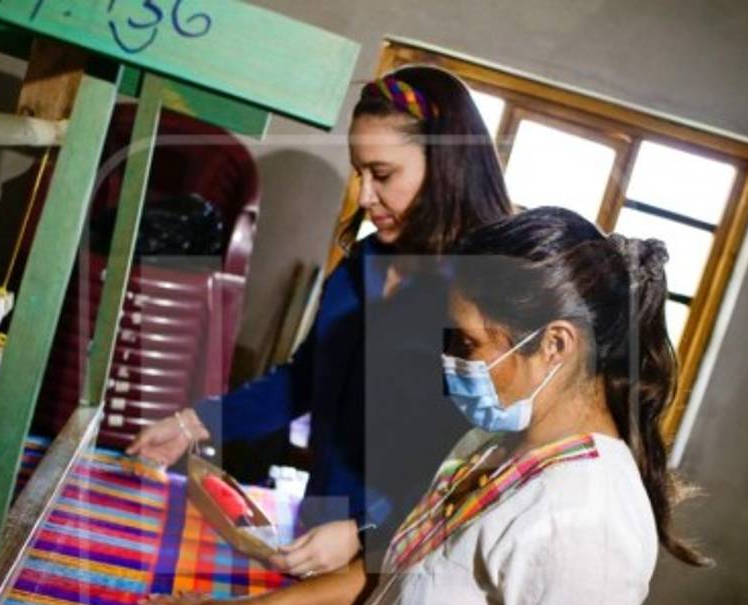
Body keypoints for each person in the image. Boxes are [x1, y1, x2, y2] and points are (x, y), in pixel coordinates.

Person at [140, 207, 712, 605]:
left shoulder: (584, 516)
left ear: (555, 345)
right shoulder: (493, 444)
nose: (451, 361)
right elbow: (398, 568)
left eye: (467, 342)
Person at [128, 66, 511, 576]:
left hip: (401, 555)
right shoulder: (363, 266)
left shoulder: (484, 292)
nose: (366, 197)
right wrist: (192, 422)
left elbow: (478, 456)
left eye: (383, 173)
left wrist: (363, 530)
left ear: (446, 163)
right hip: (322, 524)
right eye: (360, 173)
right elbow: (302, 382)